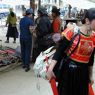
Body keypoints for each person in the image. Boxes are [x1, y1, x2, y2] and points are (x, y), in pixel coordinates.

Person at [47, 8, 95, 95]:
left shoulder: (94, 36)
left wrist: (91, 75)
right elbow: (59, 51)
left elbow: (91, 58)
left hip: (83, 73)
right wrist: (50, 69)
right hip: (69, 72)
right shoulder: (72, 31)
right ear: (87, 20)